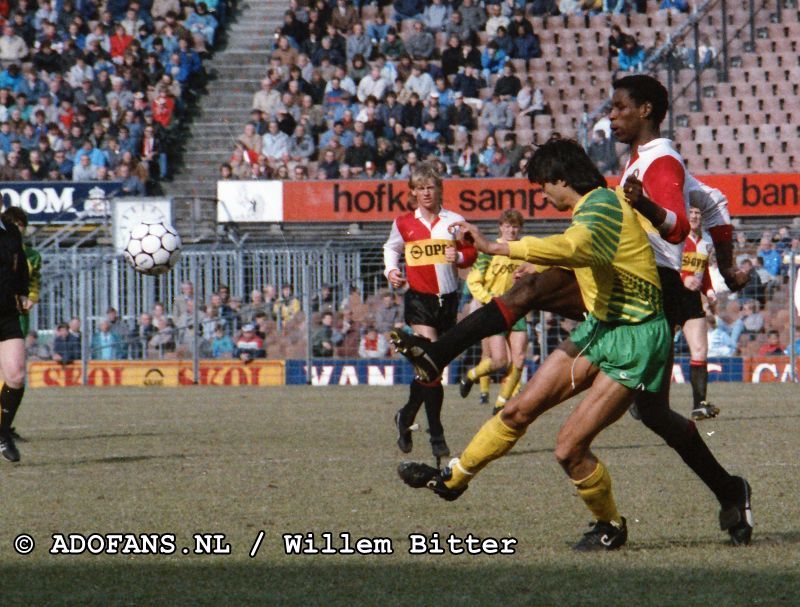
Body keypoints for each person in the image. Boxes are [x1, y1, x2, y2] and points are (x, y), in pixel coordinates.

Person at [390, 75, 753, 546]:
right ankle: (728, 489)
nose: (611, 114)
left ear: (646, 110)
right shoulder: (642, 164)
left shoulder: (656, 164)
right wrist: (727, 266)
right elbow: (714, 201)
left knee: (533, 297)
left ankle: (439, 355)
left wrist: (503, 247)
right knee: (652, 413)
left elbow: (676, 224)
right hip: (614, 293)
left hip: (646, 293)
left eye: (619, 106)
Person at [399, 138, 673, 551]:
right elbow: (584, 250)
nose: (542, 196)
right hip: (599, 328)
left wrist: (496, 246)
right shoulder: (596, 206)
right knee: (517, 409)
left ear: (561, 179)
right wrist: (544, 262)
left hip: (636, 339)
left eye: (544, 186)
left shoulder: (602, 206)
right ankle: (454, 479)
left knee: (569, 449)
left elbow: (574, 245)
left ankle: (610, 525)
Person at [384, 161, 476, 462]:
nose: (426, 193)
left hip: (448, 301)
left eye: (431, 187)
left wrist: (460, 254)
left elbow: (472, 250)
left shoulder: (454, 220)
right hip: (420, 301)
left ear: (439, 190)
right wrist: (391, 270)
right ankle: (436, 433)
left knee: (432, 368)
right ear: (413, 192)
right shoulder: (404, 223)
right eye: (420, 188)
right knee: (430, 363)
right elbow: (391, 248)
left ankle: (406, 414)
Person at [459, 210, 529, 413]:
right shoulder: (489, 251)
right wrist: (490, 300)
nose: (511, 230)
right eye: (507, 226)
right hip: (496, 310)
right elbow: (473, 281)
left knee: (520, 359)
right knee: (498, 360)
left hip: (518, 310)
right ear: (501, 227)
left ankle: (501, 403)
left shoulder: (524, 251)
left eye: (515, 227)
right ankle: (471, 375)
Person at [679, 207, 720, 420]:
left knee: (700, 350)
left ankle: (699, 406)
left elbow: (701, 273)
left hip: (692, 299)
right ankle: (640, 401)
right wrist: (683, 277)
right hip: (670, 296)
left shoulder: (705, 243)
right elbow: (663, 266)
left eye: (698, 213)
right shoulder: (673, 237)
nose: (694, 216)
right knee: (657, 352)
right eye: (691, 212)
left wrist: (709, 290)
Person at [0, 209, 29, 461]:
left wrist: (23, 292)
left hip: (6, 312)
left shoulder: (10, 232)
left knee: (16, 374)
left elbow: (20, 265)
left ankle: (2, 433)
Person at [1, 208, 40, 339]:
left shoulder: (33, 255)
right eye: (14, 223)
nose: (18, 227)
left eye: (21, 224)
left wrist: (30, 298)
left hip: (17, 306)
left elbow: (33, 280)